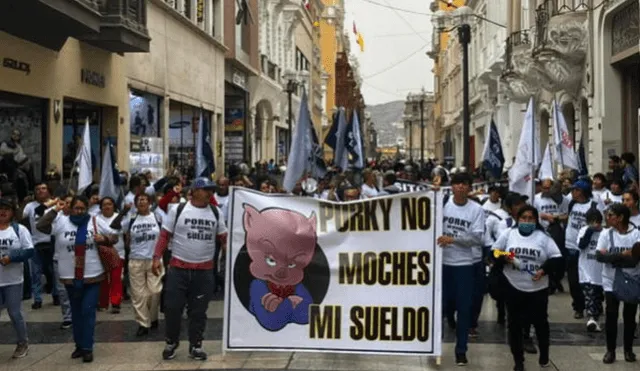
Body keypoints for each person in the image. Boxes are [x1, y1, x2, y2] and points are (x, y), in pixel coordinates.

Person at [152, 177, 227, 361]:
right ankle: (171, 341)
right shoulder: (178, 210)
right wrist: (156, 258)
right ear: (194, 191)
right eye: (206, 189)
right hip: (179, 270)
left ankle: (196, 345)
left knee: (198, 311)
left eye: (212, 190)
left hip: (204, 272)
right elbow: (164, 236)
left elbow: (224, 239)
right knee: (172, 308)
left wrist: (231, 259)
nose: (210, 193)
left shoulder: (216, 213)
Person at [36, 196, 118, 363]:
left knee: (88, 311)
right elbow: (41, 226)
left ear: (86, 208)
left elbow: (114, 236)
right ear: (70, 208)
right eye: (76, 208)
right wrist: (54, 209)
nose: (79, 211)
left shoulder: (94, 221)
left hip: (92, 274)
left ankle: (88, 347)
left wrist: (104, 239)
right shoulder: (61, 222)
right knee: (76, 313)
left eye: (82, 208)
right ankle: (79, 345)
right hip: (69, 276)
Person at [492, 205, 562, 371]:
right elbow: (493, 252)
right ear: (518, 219)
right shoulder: (509, 234)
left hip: (537, 289)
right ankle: (518, 361)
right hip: (513, 285)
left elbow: (557, 258)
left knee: (540, 324)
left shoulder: (543, 237)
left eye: (531, 218)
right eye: (524, 218)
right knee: (514, 325)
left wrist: (543, 270)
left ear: (536, 220)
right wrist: (505, 257)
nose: (527, 221)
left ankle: (544, 355)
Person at [437, 172, 485, 366]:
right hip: (442, 263)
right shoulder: (442, 204)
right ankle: (435, 348)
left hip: (464, 265)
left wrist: (453, 240)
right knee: (440, 308)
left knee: (464, 310)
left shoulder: (476, 210)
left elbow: (477, 238)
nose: (460, 187)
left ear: (469, 188)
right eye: (457, 184)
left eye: (465, 184)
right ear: (452, 186)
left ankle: (461, 350)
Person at [111, 193, 163, 336]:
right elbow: (114, 225)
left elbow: (165, 235)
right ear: (135, 203)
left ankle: (152, 318)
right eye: (138, 200)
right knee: (139, 294)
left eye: (144, 199)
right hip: (136, 260)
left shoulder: (158, 217)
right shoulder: (131, 219)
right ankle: (143, 323)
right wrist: (124, 211)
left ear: (150, 203)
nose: (141, 201)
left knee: (154, 291)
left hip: (155, 260)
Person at [595, 203, 640, 364]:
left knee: (629, 317)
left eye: (610, 215)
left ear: (620, 218)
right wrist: (622, 255)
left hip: (632, 280)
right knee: (611, 316)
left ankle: (628, 349)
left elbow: (635, 259)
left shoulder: (636, 234)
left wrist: (613, 257)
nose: (607, 218)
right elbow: (599, 257)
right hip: (610, 281)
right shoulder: (606, 234)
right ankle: (610, 350)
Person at [0, 197, 34, 358]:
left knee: (14, 313)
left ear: (12, 212)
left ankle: (22, 343)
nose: (3, 212)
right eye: (0, 209)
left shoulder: (19, 229)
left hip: (12, 280)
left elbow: (29, 250)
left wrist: (12, 257)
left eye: (6, 209)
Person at [565, 180, 603, 319]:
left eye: (575, 189)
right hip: (570, 246)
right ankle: (579, 307)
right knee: (574, 280)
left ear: (582, 191)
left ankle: (596, 304)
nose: (572, 192)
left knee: (592, 279)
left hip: (588, 248)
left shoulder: (594, 204)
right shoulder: (571, 203)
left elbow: (601, 222)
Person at [22, 182, 57, 309]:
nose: (40, 191)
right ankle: (37, 298)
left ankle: (56, 294)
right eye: (37, 189)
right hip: (36, 243)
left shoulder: (55, 203)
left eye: (43, 188)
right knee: (35, 273)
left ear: (48, 190)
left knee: (53, 271)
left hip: (52, 241)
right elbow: (22, 219)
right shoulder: (30, 206)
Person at [94, 197, 125, 313]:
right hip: (101, 254)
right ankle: (103, 302)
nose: (107, 207)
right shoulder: (96, 220)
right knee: (103, 280)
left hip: (118, 253)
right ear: (101, 207)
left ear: (113, 205)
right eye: (104, 205)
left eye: (109, 204)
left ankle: (116, 302)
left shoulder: (120, 217)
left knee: (116, 279)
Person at [577, 209, 604, 332]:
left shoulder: (605, 233)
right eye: (592, 222)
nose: (596, 225)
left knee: (597, 297)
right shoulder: (583, 231)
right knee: (589, 295)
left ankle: (595, 318)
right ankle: (591, 318)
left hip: (600, 272)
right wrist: (589, 231)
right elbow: (581, 245)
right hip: (586, 270)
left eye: (597, 222)